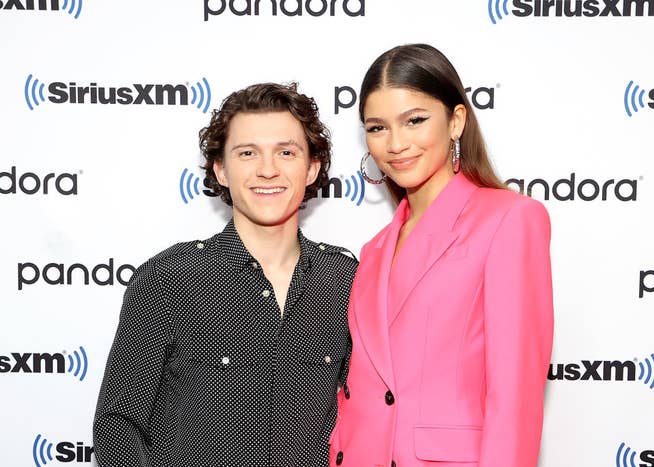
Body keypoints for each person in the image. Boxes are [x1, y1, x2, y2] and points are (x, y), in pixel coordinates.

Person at [93, 82, 357, 467]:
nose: (268, 170)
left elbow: (368, 416)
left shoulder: (345, 281)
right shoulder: (169, 279)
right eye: (247, 153)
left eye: (286, 152)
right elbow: (119, 425)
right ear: (221, 169)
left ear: (312, 167)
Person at [329, 44, 554, 467]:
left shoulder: (509, 220)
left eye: (414, 121)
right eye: (377, 128)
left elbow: (515, 398)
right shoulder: (374, 249)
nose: (396, 144)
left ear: (456, 121)